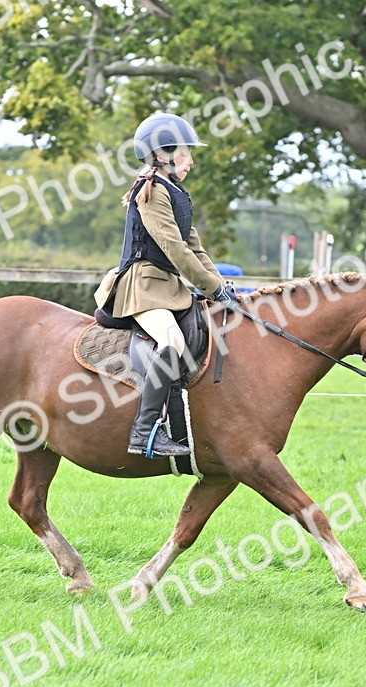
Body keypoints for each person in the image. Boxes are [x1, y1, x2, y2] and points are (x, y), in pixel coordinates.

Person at [93, 112, 236, 458]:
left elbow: (195, 248)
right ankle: (144, 433)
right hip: (141, 287)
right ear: (162, 154)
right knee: (171, 341)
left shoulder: (176, 193)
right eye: (185, 153)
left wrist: (220, 287)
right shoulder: (152, 192)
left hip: (168, 288)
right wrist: (211, 288)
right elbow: (174, 248)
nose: (191, 161)